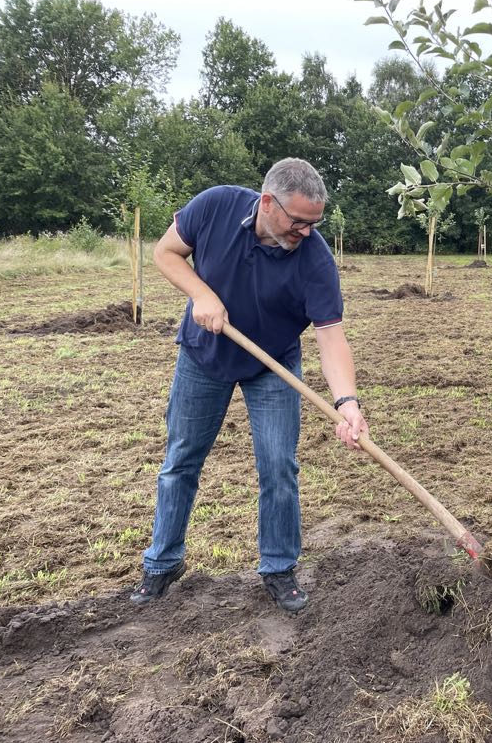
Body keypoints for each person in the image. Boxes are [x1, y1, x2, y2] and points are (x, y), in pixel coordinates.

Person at [130, 158, 367, 613]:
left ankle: (279, 567)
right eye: (298, 222)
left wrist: (347, 402)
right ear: (266, 203)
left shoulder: (315, 258)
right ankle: (162, 563)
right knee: (181, 460)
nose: (306, 232)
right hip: (204, 355)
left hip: (273, 365)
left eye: (314, 224)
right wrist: (202, 294)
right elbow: (165, 253)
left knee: (279, 466)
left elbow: (330, 336)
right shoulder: (215, 206)